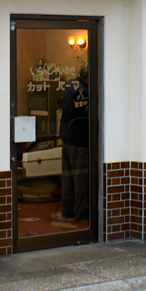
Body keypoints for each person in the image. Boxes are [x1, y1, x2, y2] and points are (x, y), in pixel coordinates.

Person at [58, 63, 90, 221]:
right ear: (88, 77)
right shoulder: (82, 91)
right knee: (80, 180)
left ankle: (67, 212)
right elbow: (87, 112)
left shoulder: (70, 84)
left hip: (66, 138)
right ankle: (80, 214)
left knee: (68, 180)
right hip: (79, 140)